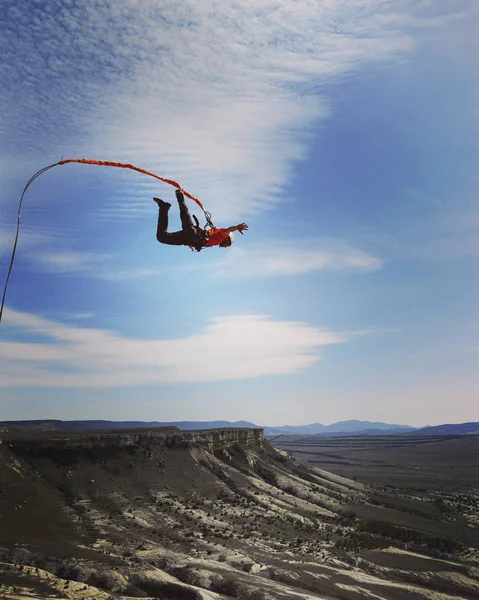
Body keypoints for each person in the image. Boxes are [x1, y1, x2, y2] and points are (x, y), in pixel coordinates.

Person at [154, 189, 248, 251]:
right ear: (227, 239)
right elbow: (229, 230)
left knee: (161, 237)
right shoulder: (221, 236)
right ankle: (180, 198)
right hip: (194, 235)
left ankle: (163, 208)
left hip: (188, 240)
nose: (226, 246)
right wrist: (236, 227)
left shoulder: (215, 241)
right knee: (186, 223)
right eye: (228, 244)